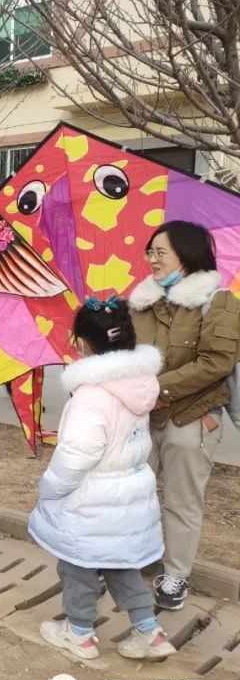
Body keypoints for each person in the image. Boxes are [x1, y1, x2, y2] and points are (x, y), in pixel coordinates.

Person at [30, 297, 176, 661]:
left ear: (83, 342)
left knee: (77, 565)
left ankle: (79, 634)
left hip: (92, 500)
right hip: (129, 494)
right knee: (120, 563)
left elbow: (77, 455)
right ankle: (149, 631)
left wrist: (50, 488)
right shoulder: (137, 384)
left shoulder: (92, 395)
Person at [129, 221, 240, 610]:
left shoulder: (219, 302)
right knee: (130, 492)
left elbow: (216, 362)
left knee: (181, 500)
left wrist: (159, 389)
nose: (152, 260)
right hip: (141, 416)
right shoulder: (142, 302)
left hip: (191, 417)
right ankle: (129, 559)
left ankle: (175, 575)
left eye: (160, 252)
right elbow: (128, 353)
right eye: (150, 252)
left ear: (188, 254)